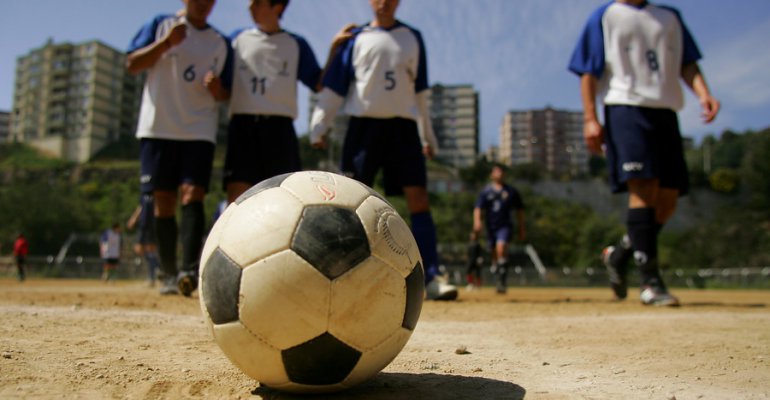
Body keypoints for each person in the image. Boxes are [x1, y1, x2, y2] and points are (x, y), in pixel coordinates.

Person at [569, 0, 720, 306]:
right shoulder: (605, 15)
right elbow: (588, 71)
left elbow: (686, 62)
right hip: (625, 106)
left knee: (667, 201)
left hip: (664, 109)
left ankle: (620, 254)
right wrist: (590, 117)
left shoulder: (669, 17)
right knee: (643, 186)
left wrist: (703, 93)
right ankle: (650, 282)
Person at [309, 0, 457, 300]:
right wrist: (318, 126)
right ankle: (343, 276)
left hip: (402, 129)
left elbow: (421, 93)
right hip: (363, 129)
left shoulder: (412, 37)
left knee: (419, 198)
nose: (384, 3)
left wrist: (427, 136)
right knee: (350, 202)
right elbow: (335, 88)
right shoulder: (356, 39)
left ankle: (431, 277)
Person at [126, 0, 233, 296]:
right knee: (163, 200)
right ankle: (169, 273)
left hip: (199, 130)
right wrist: (164, 44)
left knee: (193, 193)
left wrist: (217, 89)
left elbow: (227, 93)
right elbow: (132, 63)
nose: (203, 5)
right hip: (158, 126)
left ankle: (189, 270)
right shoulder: (160, 24)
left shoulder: (219, 42)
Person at [223, 0, 328, 203]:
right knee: (238, 196)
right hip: (243, 125)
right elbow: (222, 83)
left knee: (284, 196)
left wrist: (334, 49)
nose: (250, 7)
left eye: (257, 3)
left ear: (277, 7)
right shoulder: (236, 39)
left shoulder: (295, 44)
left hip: (280, 129)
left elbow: (318, 82)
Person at [473, 164, 526, 294]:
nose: (500, 174)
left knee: (501, 248)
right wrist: (477, 222)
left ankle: (502, 282)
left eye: (501, 172)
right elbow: (478, 208)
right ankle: (498, 272)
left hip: (505, 226)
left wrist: (521, 228)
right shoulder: (486, 191)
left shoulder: (511, 191)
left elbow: (520, 210)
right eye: (497, 172)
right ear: (492, 175)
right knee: (494, 254)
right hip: (491, 227)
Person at [126, 194, 161, 287]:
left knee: (150, 250)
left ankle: (152, 277)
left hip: (153, 224)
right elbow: (141, 207)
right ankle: (159, 269)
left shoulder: (156, 191)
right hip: (143, 224)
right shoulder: (144, 193)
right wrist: (133, 219)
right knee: (140, 249)